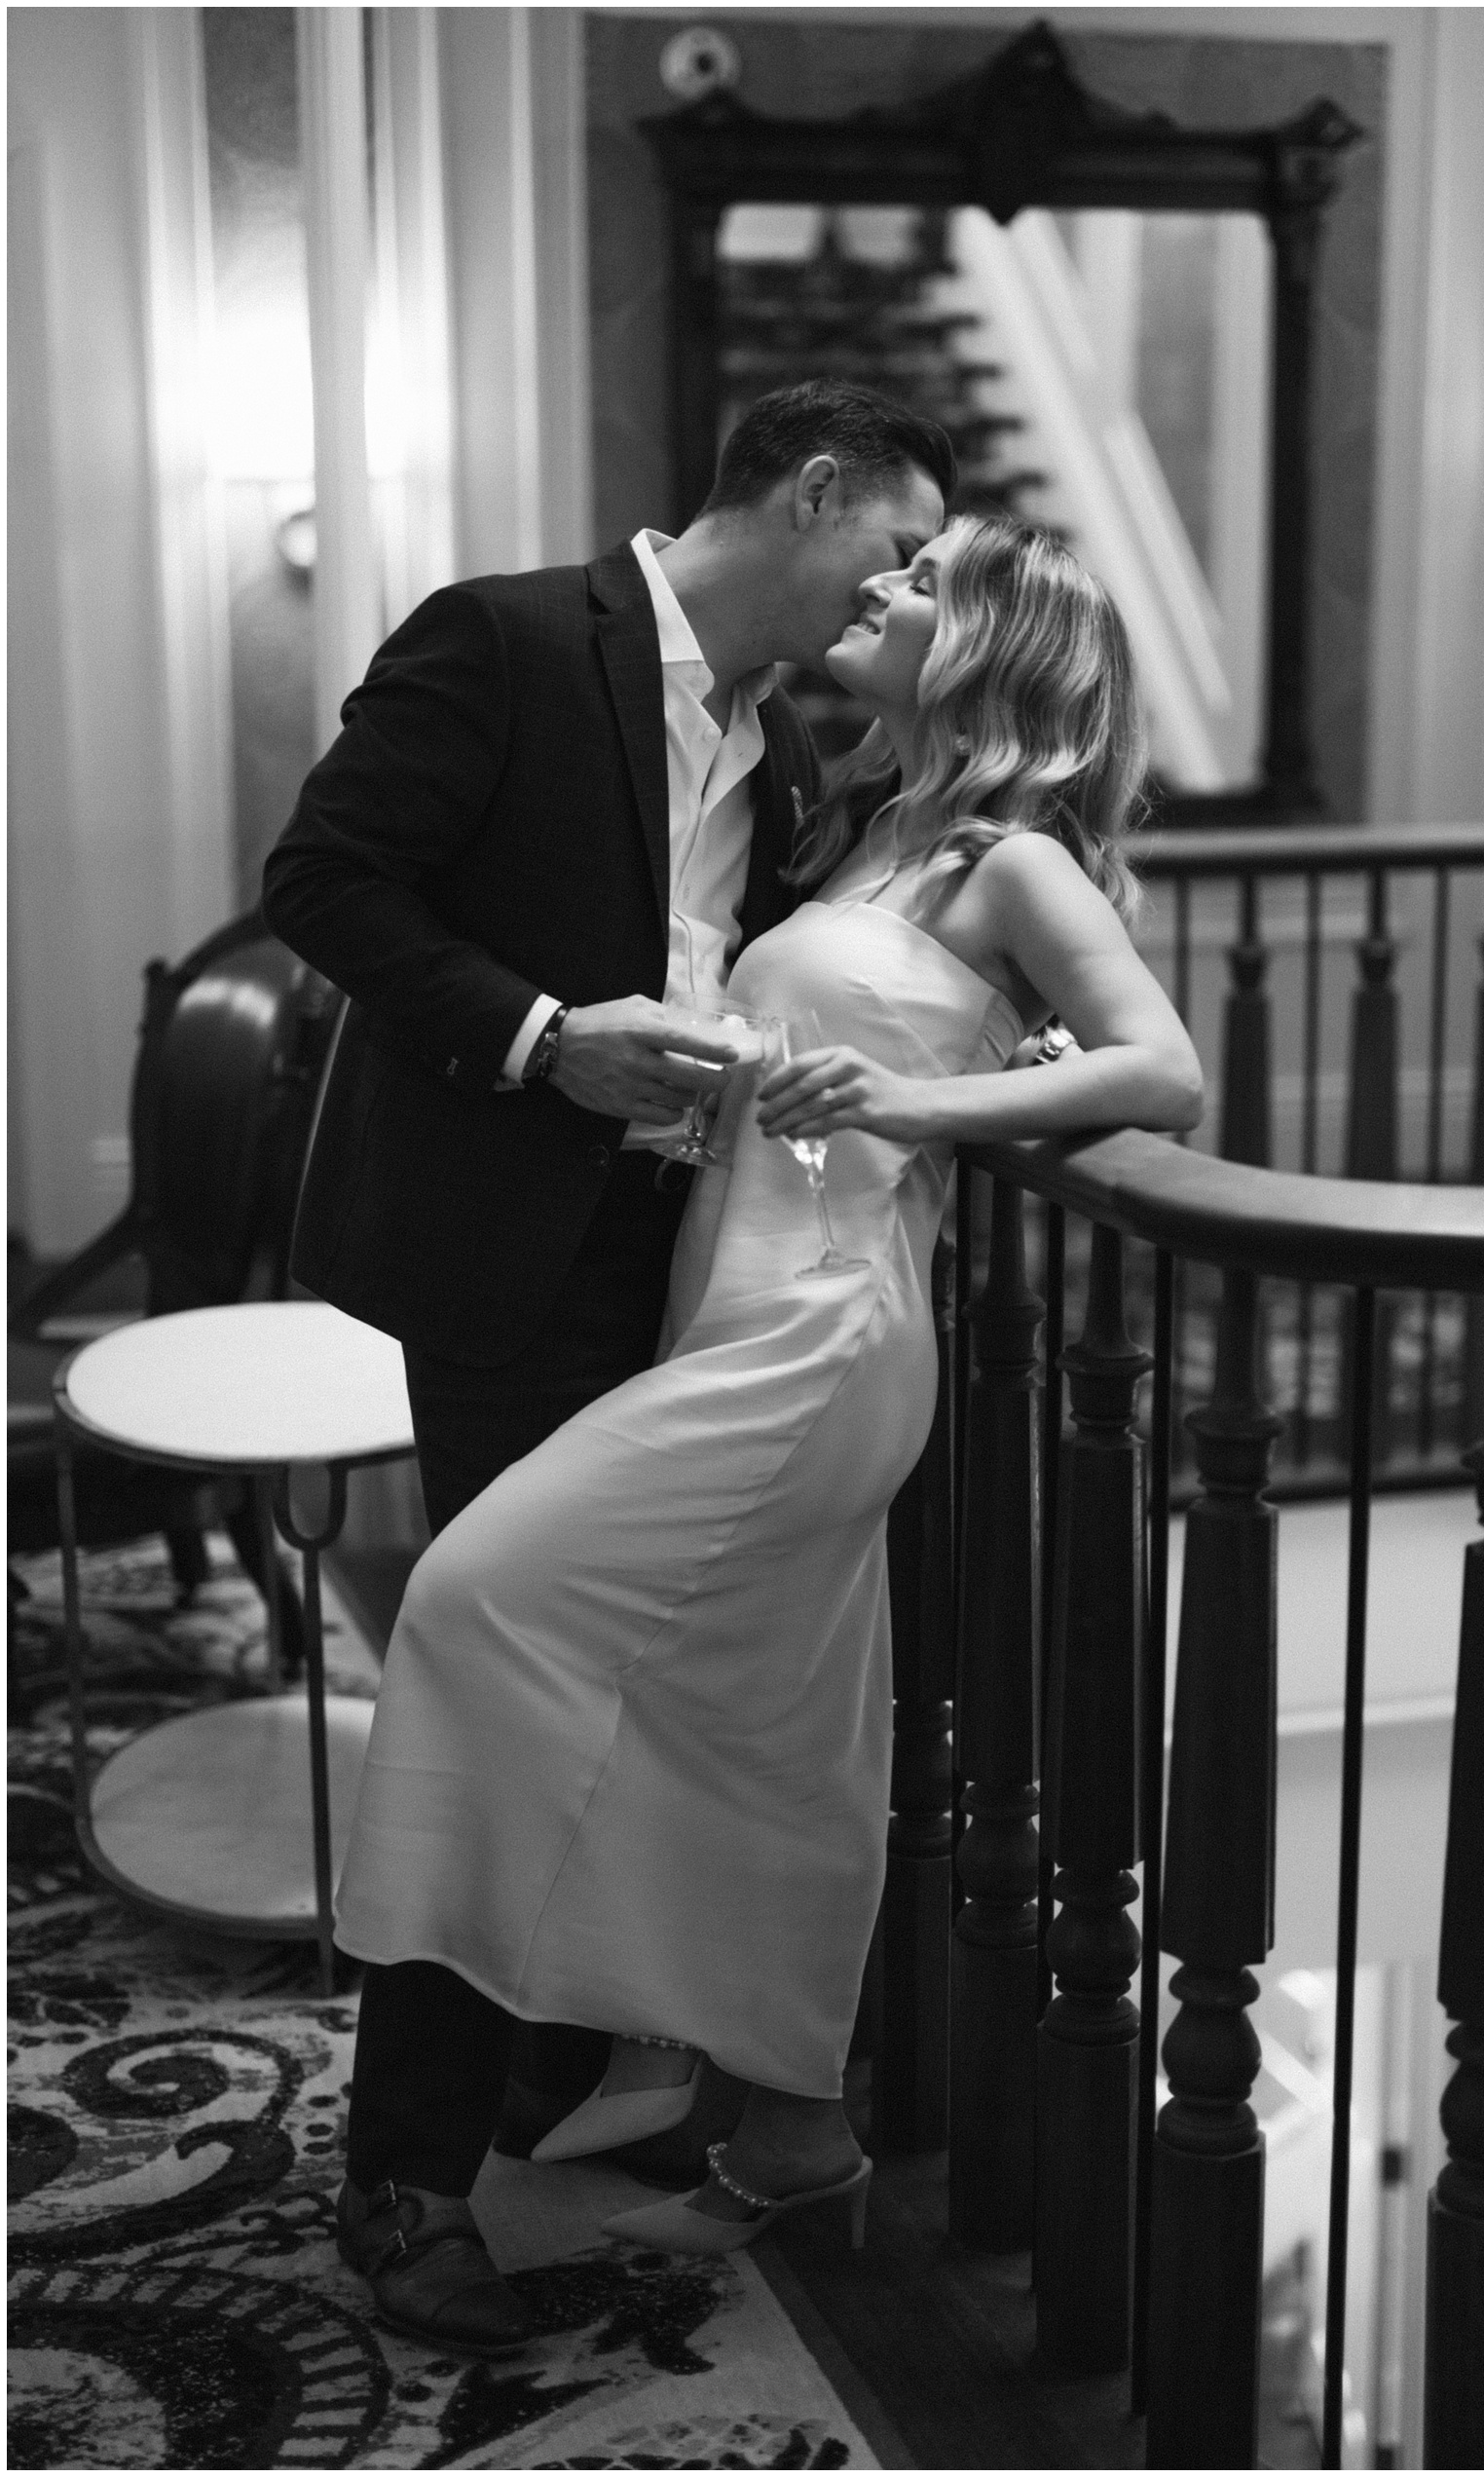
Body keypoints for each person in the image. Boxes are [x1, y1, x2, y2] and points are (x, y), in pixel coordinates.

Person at [324, 513, 1204, 2346]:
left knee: (474, 1599)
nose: (883, 590)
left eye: (924, 582)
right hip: (716, 1301)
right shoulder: (858, 822)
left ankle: (507, 2056)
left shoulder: (1010, 858)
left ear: (986, 646)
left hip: (814, 1333)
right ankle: (793, 2114)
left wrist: (921, 1091)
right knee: (768, 1729)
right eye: (883, 550)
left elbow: (1165, 1067)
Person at [261, 381, 954, 2353]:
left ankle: (555, 2083)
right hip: (507, 1267)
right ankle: (401, 2184)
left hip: (691, 1290)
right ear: (808, 491)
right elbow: (322, 880)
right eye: (889, 543)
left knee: (641, 1702)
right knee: (500, 1678)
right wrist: (542, 1035)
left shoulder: (784, 740)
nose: (894, 586)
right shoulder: (502, 634)